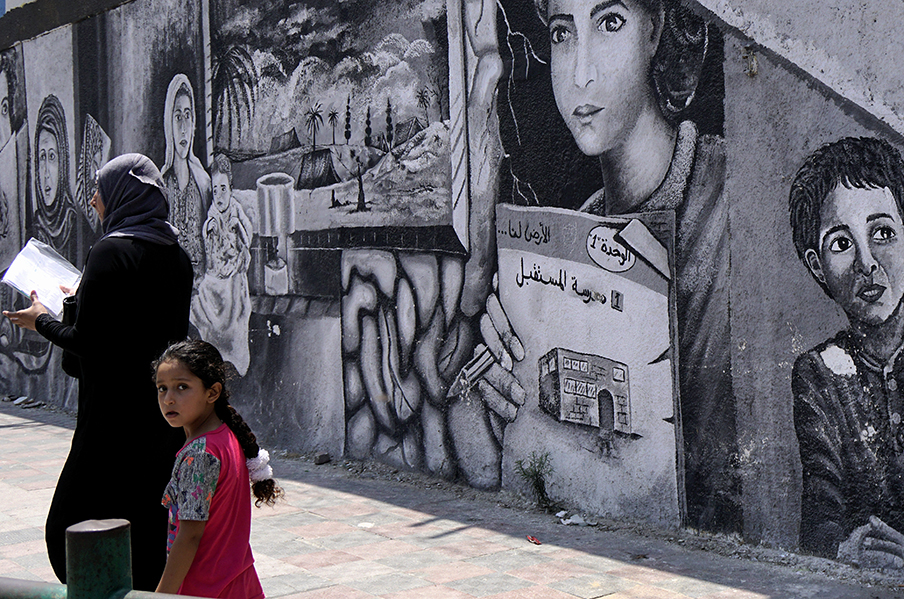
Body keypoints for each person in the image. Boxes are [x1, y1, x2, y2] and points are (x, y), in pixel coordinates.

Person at [462, 0, 738, 531]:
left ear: (654, 31)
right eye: (563, 33)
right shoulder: (578, 235)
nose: (581, 73)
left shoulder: (729, 195)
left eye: (609, 23)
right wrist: (513, 392)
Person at [2, 153, 194, 589]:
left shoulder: (109, 252)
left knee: (71, 523)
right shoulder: (177, 258)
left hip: (108, 421)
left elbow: (90, 345)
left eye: (100, 190)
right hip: (159, 418)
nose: (93, 199)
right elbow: (146, 334)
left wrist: (42, 320)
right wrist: (85, 297)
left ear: (121, 195)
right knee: (148, 516)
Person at [789, 136, 904, 568]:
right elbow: (821, 513)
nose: (866, 262)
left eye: (883, 233)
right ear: (818, 267)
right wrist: (845, 552)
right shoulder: (818, 374)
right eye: (841, 243)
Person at [154, 339, 281, 597]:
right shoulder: (226, 437)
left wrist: (160, 595)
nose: (168, 399)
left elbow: (189, 535)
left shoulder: (198, 455)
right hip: (238, 581)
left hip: (205, 588)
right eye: (162, 388)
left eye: (182, 387)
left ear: (212, 393)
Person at [190, 154, 252, 375]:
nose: (219, 195)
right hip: (216, 275)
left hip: (233, 274)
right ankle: (215, 356)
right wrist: (210, 228)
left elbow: (247, 238)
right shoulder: (213, 214)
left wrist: (239, 228)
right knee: (205, 303)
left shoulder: (236, 209)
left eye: (223, 188)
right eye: (215, 190)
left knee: (237, 311)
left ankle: (235, 358)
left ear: (231, 189)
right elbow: (209, 242)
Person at [161, 73, 211, 274]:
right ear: (169, 124)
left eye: (188, 116)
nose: (183, 128)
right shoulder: (160, 184)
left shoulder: (204, 182)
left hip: (202, 287)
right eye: (178, 117)